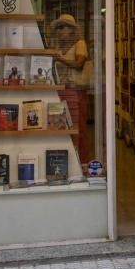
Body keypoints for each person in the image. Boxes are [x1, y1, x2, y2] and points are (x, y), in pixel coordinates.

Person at [52, 14, 89, 162]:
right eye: (58, 28)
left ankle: (81, 161)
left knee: (77, 127)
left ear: (72, 29)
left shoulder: (80, 44)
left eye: (63, 27)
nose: (60, 31)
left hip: (75, 90)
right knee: (63, 127)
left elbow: (79, 64)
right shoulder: (60, 46)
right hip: (62, 90)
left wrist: (60, 59)